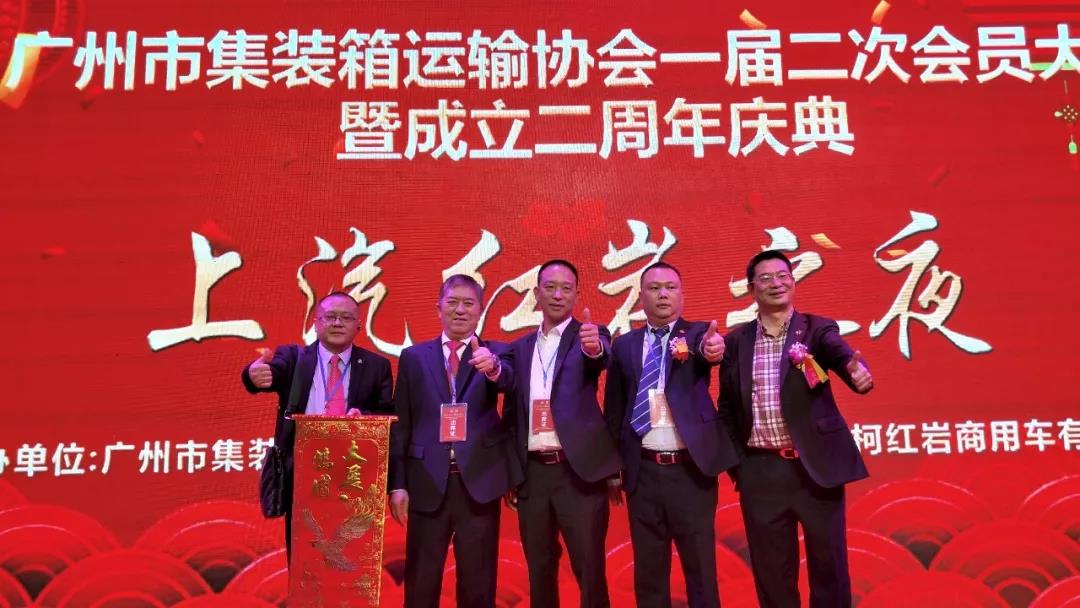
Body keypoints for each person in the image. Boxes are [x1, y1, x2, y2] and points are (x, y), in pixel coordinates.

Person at [717, 250, 874, 608]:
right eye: (765, 278)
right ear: (751, 288)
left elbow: (840, 355)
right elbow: (727, 408)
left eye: (783, 276)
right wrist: (741, 467)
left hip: (814, 470)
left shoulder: (817, 329)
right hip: (761, 472)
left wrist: (855, 372)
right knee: (773, 576)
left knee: (829, 570)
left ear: (792, 280)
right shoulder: (736, 342)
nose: (776, 283)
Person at [604, 262, 738, 608]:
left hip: (690, 471)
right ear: (641, 296)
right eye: (654, 288)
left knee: (700, 569)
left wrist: (712, 349)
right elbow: (615, 410)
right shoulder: (624, 346)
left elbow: (710, 351)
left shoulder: (697, 335)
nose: (662, 294)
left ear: (681, 294)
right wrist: (613, 470)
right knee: (649, 573)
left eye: (670, 287)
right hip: (643, 471)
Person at [388, 274, 519, 608]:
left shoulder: (496, 353)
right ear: (439, 308)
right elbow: (402, 424)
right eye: (453, 302)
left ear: (480, 310)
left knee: (478, 584)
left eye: (469, 303)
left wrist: (493, 368)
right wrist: (397, 484)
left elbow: (510, 382)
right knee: (421, 583)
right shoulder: (414, 357)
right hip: (425, 480)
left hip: (478, 481)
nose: (460, 310)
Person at [503, 259, 622, 608]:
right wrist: (512, 471)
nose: (558, 295)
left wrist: (593, 348)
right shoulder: (520, 348)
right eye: (550, 287)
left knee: (589, 568)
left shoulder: (590, 335)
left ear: (577, 295)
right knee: (539, 569)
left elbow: (599, 355)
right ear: (536, 293)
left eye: (566, 288)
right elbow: (512, 413)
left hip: (578, 473)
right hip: (533, 473)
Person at [241, 291, 393, 557]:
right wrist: (252, 376)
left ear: (358, 325)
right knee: (304, 555)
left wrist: (364, 417)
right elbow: (270, 375)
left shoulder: (376, 366)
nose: (337, 323)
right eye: (330, 317)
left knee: (349, 557)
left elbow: (386, 414)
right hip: (303, 471)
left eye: (346, 318)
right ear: (316, 322)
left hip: (353, 476)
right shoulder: (294, 358)